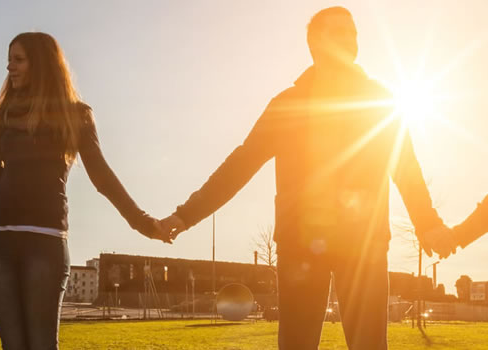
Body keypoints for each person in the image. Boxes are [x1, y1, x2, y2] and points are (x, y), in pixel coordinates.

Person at [159, 7, 454, 350]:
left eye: (353, 33)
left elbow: (406, 167)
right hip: (301, 245)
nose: (350, 40)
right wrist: (187, 214)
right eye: (339, 33)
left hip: (364, 246)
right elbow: (241, 163)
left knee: (370, 344)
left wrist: (428, 222)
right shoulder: (288, 104)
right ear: (315, 43)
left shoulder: (380, 100)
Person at [0, 32, 164, 350]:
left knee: (41, 345)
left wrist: (142, 221)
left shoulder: (75, 115)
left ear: (42, 64)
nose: (10, 68)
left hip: (45, 241)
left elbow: (101, 177)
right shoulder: (6, 119)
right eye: (8, 61)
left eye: (18, 60)